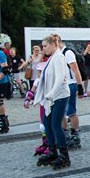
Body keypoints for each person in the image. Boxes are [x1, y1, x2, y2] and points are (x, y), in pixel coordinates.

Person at [30, 35, 71, 170]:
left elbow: (60, 78)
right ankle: (53, 151)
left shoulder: (59, 57)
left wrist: (52, 93)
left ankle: (64, 155)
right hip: (51, 97)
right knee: (47, 123)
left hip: (59, 96)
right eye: (42, 46)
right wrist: (39, 97)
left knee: (55, 124)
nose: (43, 48)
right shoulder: (51, 58)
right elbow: (43, 78)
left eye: (45, 46)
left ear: (54, 44)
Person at [55, 36, 83, 150]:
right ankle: (65, 134)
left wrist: (80, 86)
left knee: (71, 111)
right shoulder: (56, 53)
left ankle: (76, 134)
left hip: (70, 84)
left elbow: (75, 70)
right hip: (61, 85)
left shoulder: (68, 52)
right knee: (61, 112)